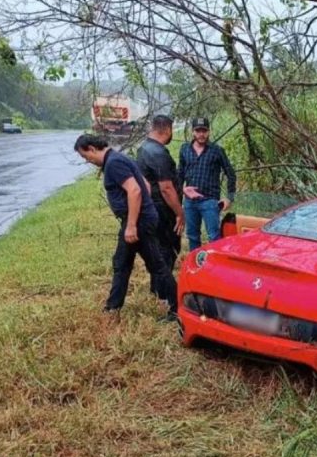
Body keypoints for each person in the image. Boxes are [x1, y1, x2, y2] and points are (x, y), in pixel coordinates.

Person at [74, 134, 178, 321]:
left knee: (157, 266)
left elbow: (135, 190)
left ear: (92, 148)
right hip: (140, 219)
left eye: (86, 156)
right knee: (122, 262)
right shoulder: (118, 158)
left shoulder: (113, 163)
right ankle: (113, 307)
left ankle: (177, 306)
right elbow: (144, 185)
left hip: (138, 223)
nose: (88, 161)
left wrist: (131, 225)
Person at [178, 117, 236, 250]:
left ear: (208, 132)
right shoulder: (185, 149)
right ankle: (196, 266)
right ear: (193, 132)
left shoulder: (217, 150)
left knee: (214, 236)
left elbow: (230, 173)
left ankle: (216, 266)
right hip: (190, 202)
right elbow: (179, 175)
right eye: (198, 131)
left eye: (204, 131)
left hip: (209, 201)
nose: (201, 134)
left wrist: (229, 197)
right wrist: (179, 199)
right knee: (192, 236)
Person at [136, 115, 183, 274]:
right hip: (163, 210)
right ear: (168, 130)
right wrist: (179, 213)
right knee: (168, 249)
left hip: (149, 207)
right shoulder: (158, 153)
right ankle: (165, 291)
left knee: (157, 249)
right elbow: (166, 188)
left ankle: (157, 287)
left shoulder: (143, 148)